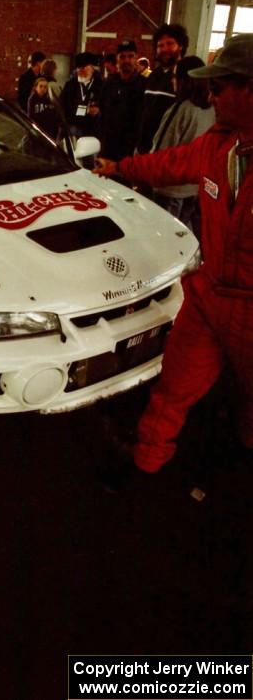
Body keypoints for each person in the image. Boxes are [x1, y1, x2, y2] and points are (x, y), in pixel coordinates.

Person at [92, 32, 253, 474]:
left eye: (220, 88)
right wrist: (120, 168)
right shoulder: (219, 145)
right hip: (211, 295)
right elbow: (168, 163)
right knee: (174, 385)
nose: (211, 96)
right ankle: (145, 460)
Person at [150, 55, 215, 231]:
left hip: (170, 189)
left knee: (163, 236)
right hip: (194, 188)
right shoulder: (212, 109)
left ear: (184, 80)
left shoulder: (181, 109)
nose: (172, 80)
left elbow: (162, 148)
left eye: (175, 76)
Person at [136, 23, 188, 154]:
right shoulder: (154, 75)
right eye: (160, 45)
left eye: (170, 44)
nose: (164, 49)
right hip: (145, 151)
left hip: (168, 154)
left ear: (181, 46)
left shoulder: (186, 77)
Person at [99, 39, 145, 162]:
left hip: (129, 153)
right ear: (117, 59)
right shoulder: (109, 83)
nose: (126, 60)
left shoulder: (144, 85)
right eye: (122, 57)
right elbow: (102, 112)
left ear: (136, 58)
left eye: (130, 56)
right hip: (107, 149)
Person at [61, 51, 102, 141]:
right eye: (78, 67)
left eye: (84, 67)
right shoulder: (70, 85)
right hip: (72, 128)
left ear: (92, 68)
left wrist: (98, 111)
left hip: (92, 130)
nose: (80, 70)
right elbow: (63, 106)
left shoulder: (100, 86)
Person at [27, 76, 60, 140]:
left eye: (45, 87)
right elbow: (31, 116)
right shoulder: (32, 100)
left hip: (50, 131)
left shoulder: (50, 99)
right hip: (38, 130)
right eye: (40, 86)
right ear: (36, 87)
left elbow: (55, 116)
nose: (43, 89)